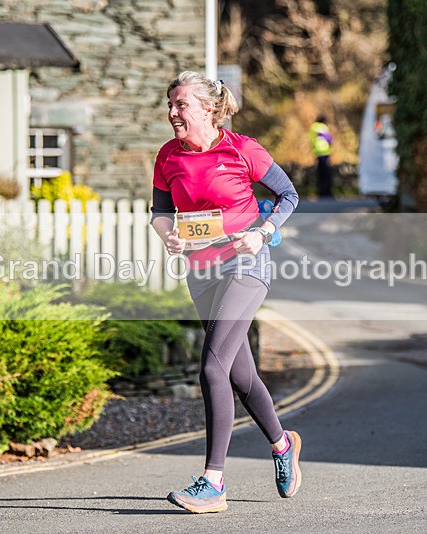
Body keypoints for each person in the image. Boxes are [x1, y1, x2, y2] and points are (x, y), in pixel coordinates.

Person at [151, 71, 301, 514]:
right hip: (201, 272)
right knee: (239, 374)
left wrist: (264, 232)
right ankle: (282, 443)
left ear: (208, 108)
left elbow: (288, 194)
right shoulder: (167, 156)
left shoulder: (241, 148)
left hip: (246, 265)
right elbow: (160, 212)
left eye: (181, 104)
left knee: (212, 367)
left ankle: (212, 481)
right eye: (171, 104)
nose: (173, 112)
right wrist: (168, 236)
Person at [309, 115, 334, 198]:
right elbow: (328, 138)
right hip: (324, 152)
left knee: (320, 174)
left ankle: (321, 192)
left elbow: (312, 140)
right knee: (327, 174)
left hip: (317, 152)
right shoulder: (322, 127)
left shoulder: (313, 127)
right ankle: (327, 192)